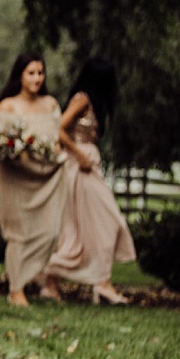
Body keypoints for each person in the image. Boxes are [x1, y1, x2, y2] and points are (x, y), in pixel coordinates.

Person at [40, 59, 137, 304]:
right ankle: (53, 277)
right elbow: (59, 129)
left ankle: (96, 283)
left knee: (93, 227)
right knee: (107, 221)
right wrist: (79, 153)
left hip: (88, 170)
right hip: (78, 170)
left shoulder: (94, 103)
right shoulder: (82, 98)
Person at [0, 52, 68, 307]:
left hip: (46, 177)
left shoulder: (51, 105)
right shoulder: (7, 107)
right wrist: (11, 152)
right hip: (14, 179)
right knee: (18, 233)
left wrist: (54, 154)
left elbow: (56, 140)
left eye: (40, 73)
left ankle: (31, 276)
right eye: (31, 73)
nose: (36, 78)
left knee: (50, 231)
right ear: (20, 75)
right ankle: (16, 290)